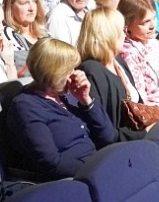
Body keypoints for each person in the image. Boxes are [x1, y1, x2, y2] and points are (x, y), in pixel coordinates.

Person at [7, 39, 119, 178]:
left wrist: (86, 101)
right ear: (54, 73)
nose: (74, 74)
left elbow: (108, 137)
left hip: (97, 166)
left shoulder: (68, 94)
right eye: (69, 70)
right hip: (74, 179)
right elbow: (50, 163)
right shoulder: (26, 107)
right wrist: (96, 169)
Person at [77, 6, 142, 139]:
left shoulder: (118, 60)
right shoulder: (91, 71)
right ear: (108, 35)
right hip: (123, 144)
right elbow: (103, 129)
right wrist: (144, 133)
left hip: (138, 134)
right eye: (122, 30)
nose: (125, 35)